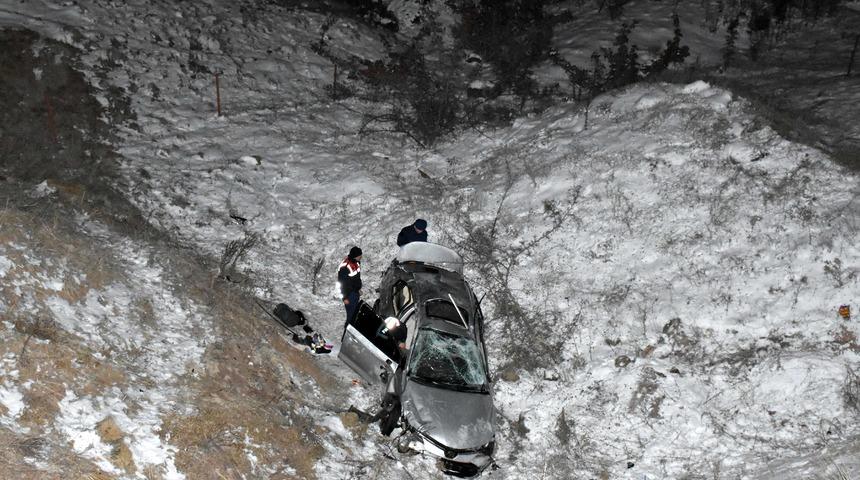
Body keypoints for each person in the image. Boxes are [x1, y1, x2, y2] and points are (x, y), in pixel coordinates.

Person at [338, 246, 362, 324]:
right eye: (359, 255)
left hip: (355, 293)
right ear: (355, 256)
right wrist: (345, 298)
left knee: (355, 314)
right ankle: (348, 331)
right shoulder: (345, 267)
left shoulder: (356, 262)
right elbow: (341, 283)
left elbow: (356, 278)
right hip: (349, 295)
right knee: (351, 317)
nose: (361, 257)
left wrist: (358, 289)